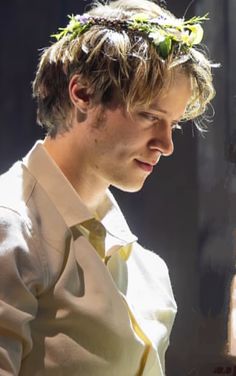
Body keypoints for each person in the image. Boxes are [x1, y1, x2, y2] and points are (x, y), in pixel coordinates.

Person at [0, 0, 215, 375]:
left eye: (174, 124)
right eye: (150, 116)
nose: (166, 145)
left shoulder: (149, 269)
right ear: (82, 93)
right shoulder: (11, 228)